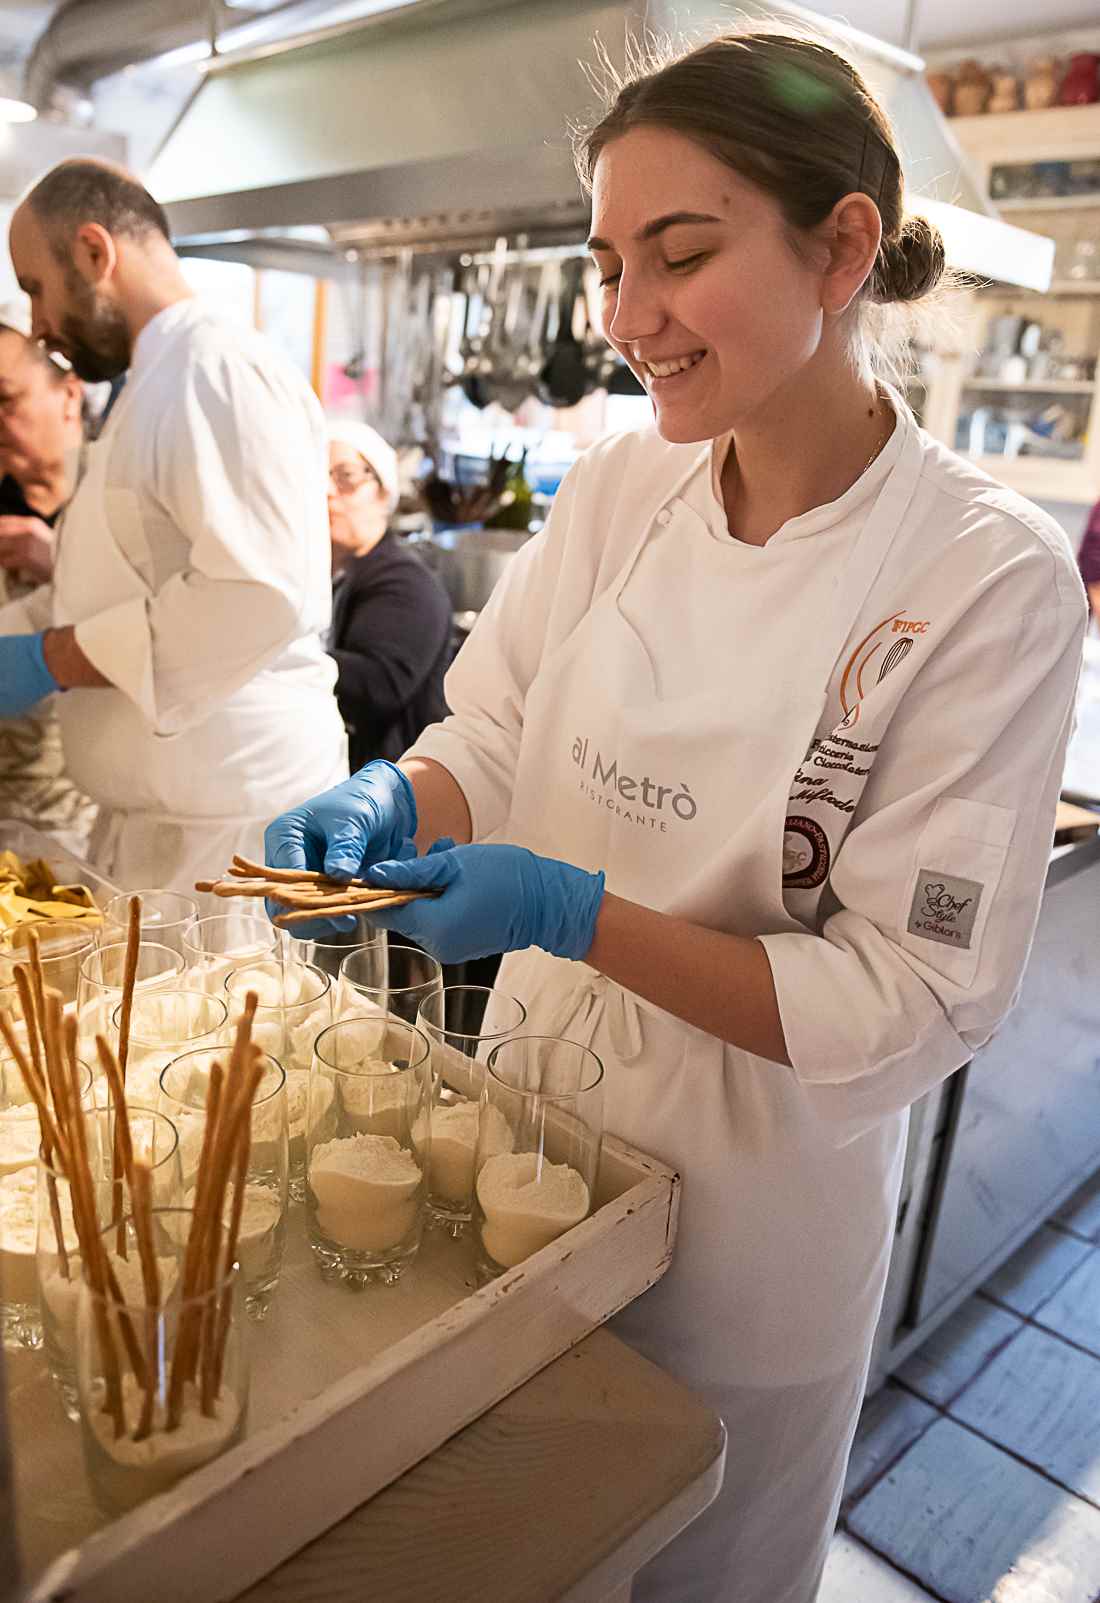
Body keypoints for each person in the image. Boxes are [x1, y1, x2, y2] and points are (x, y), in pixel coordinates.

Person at [264, 31, 1086, 1603]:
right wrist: (395, 790)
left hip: (747, 1234)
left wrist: (571, 913)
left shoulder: (982, 575)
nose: (630, 317)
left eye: (683, 255)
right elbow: (495, 725)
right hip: (510, 1155)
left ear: (843, 247)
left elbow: (911, 994)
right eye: (609, 263)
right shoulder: (626, 487)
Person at [0, 158, 346, 899]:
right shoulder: (150, 382)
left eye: (35, 288)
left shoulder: (213, 366)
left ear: (95, 253)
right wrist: (17, 639)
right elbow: (119, 583)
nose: (36, 324)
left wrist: (53, 657)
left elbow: (251, 593)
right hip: (166, 822)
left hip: (233, 830)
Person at [0, 299, 97, 848]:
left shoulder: (115, 504)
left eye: (4, 400)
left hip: (83, 818)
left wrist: (65, 570)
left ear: (68, 393)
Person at [326, 421, 451, 767]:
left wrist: (288, 659)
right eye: (318, 477)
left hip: (394, 793)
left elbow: (379, 686)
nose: (327, 491)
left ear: (383, 493)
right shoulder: (341, 573)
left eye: (346, 477)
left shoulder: (405, 583)